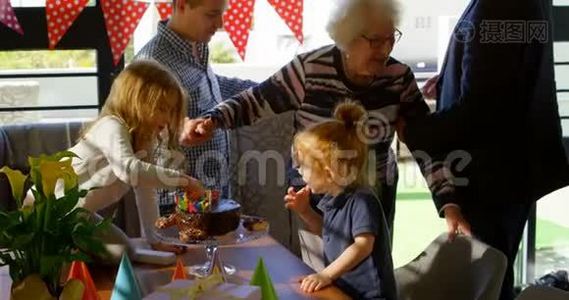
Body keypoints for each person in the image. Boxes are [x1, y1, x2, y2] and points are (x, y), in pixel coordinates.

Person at [186, 0, 456, 237]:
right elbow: (256, 100)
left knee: (369, 277)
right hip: (315, 197)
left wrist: (449, 203)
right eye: (375, 40)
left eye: (391, 38)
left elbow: (425, 141)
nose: (385, 49)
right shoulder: (310, 69)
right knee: (320, 279)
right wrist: (213, 120)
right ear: (348, 37)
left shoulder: (399, 77)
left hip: (375, 196)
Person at [401, 0, 569, 298]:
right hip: (509, 170)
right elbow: (502, 74)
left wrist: (413, 131)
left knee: (485, 281)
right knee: (494, 275)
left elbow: (482, 110)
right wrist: (450, 78)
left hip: (492, 176)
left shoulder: (499, 6)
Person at [68, 60, 204, 255]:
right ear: (137, 101)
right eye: (162, 109)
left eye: (170, 111)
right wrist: (185, 182)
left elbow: (146, 190)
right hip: (51, 211)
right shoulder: (110, 125)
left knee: (123, 252)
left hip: (80, 216)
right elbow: (128, 170)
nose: (167, 119)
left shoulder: (143, 140)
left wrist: (155, 240)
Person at [135, 0, 257, 208]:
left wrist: (272, 89)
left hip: (213, 188)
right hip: (177, 200)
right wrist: (179, 131)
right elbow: (139, 127)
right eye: (211, 15)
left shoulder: (196, 46)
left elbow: (212, 87)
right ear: (182, 5)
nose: (220, 24)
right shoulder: (152, 62)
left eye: (221, 14)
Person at [285, 101, 396, 299]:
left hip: (371, 295)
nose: (298, 170)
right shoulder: (333, 199)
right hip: (345, 290)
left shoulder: (363, 200)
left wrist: (325, 275)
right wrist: (305, 211)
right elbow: (329, 233)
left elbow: (362, 246)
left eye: (303, 165)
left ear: (328, 171)